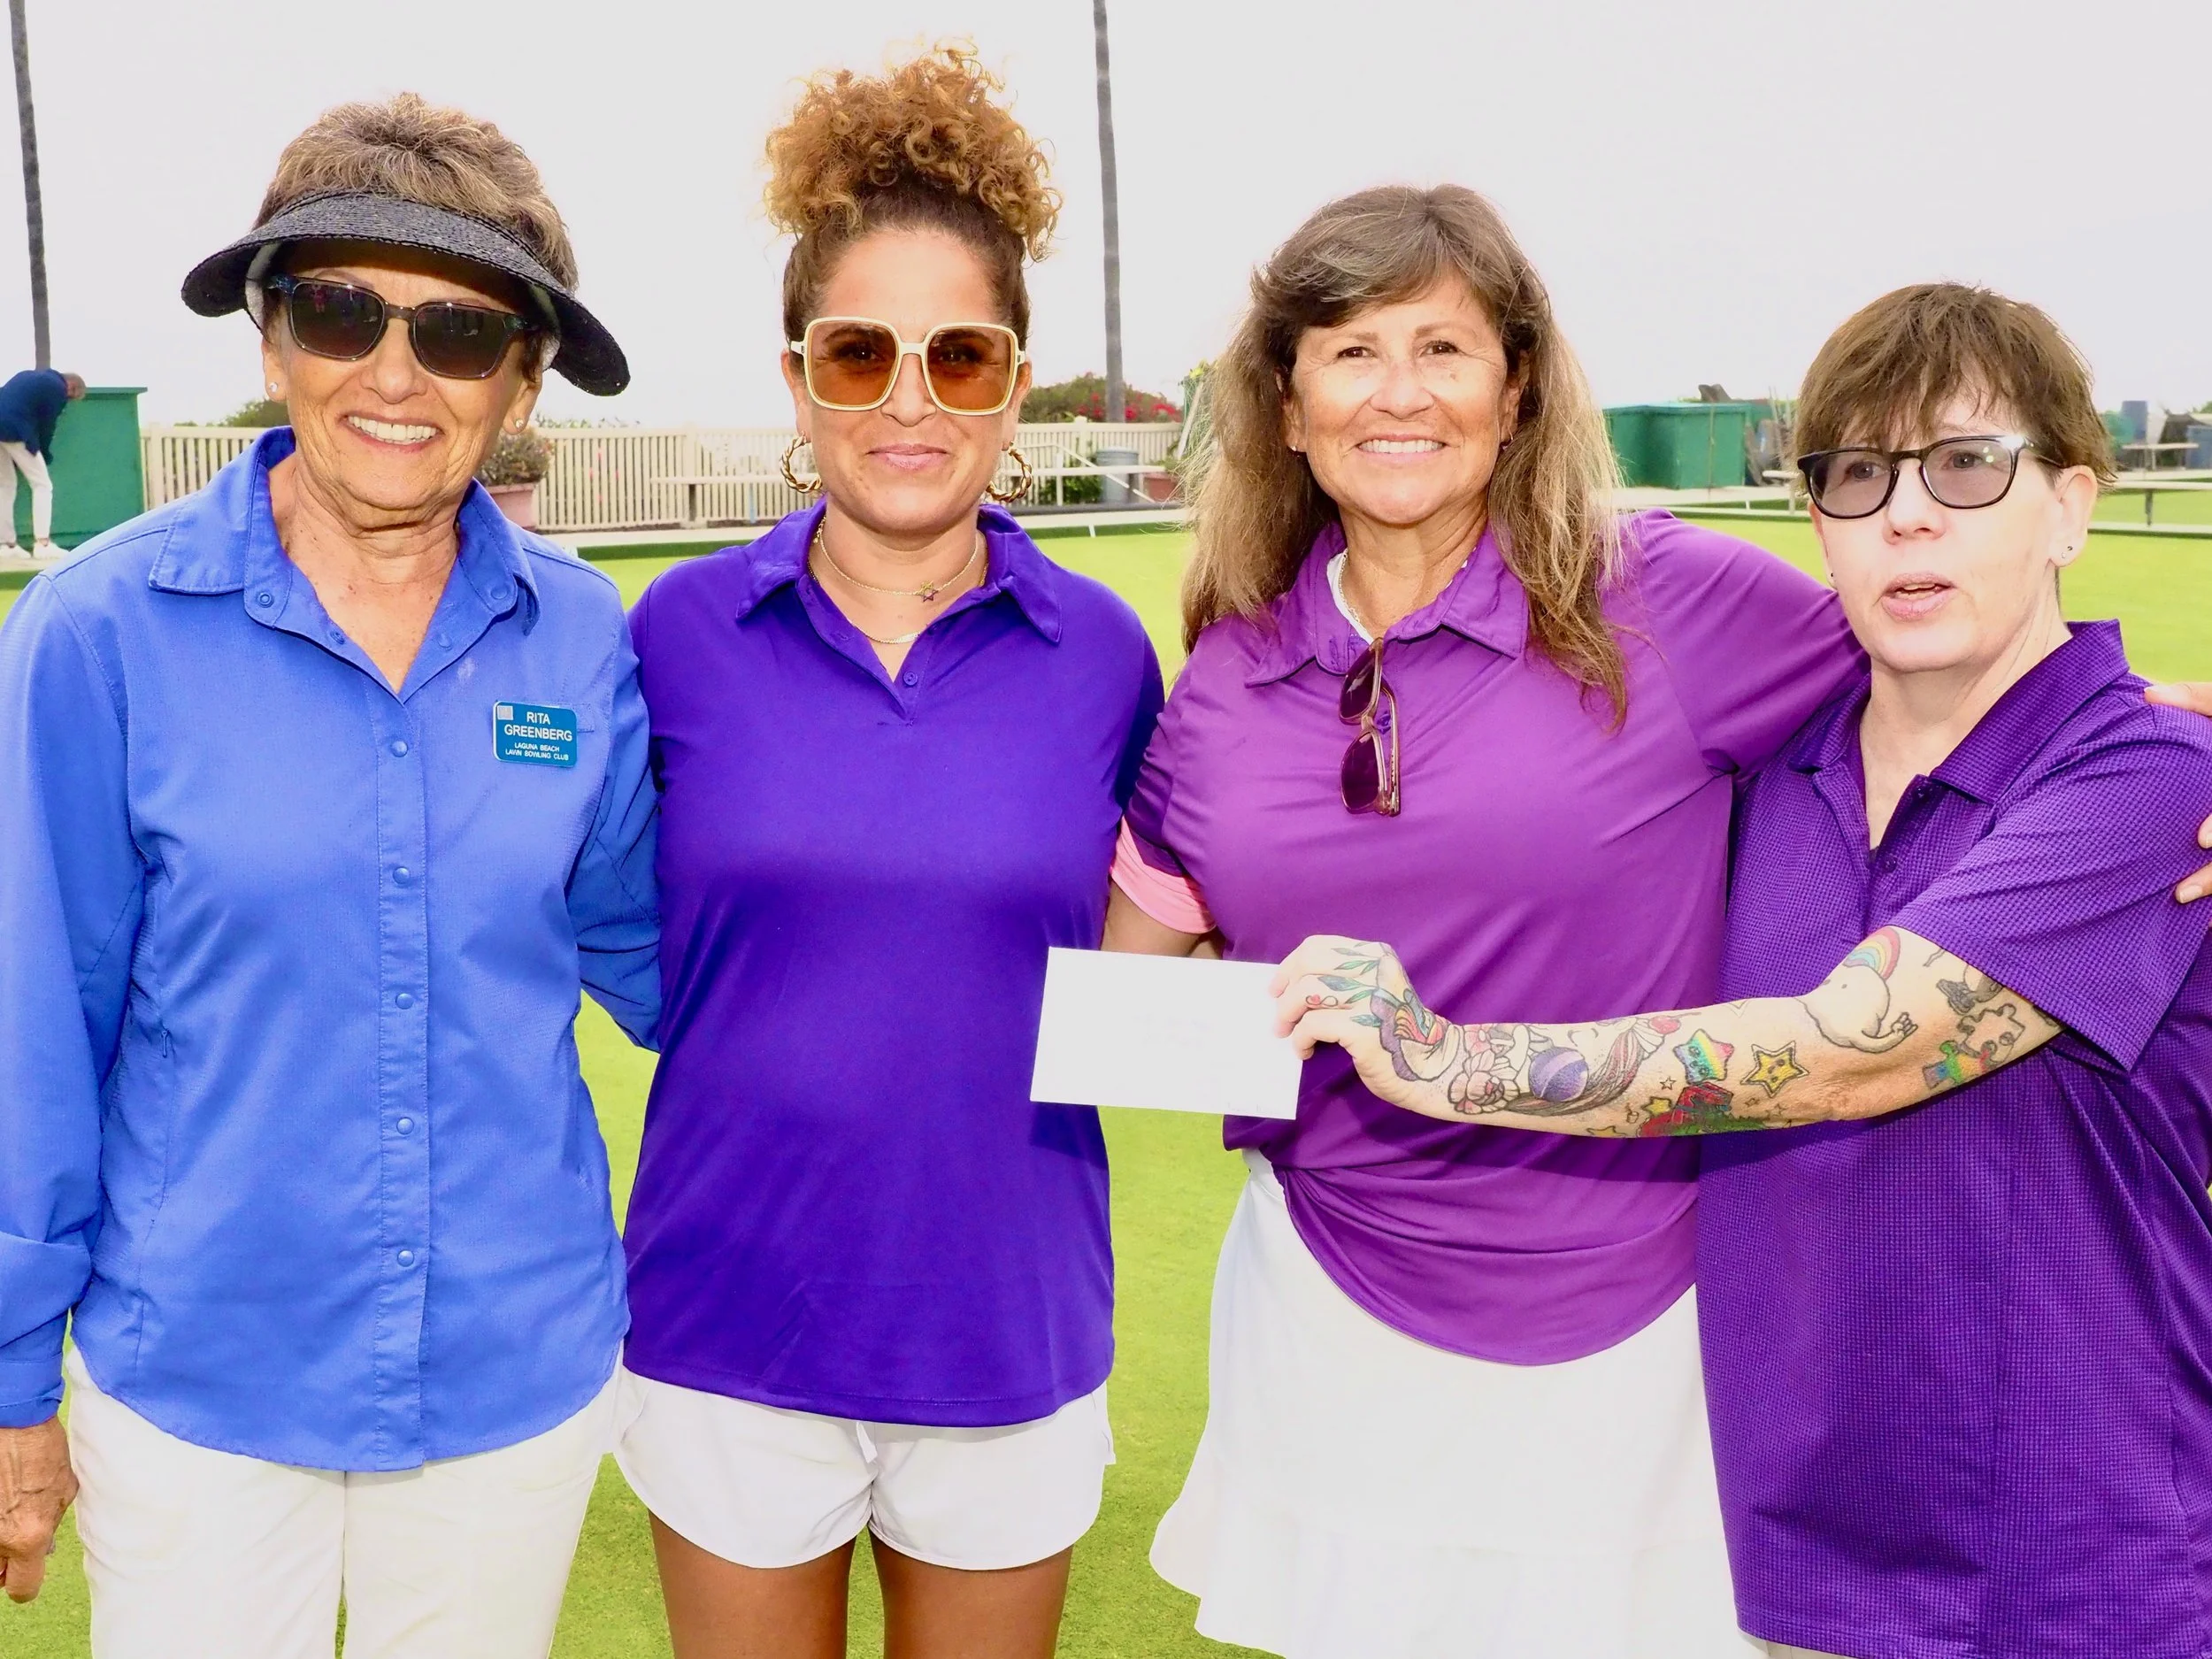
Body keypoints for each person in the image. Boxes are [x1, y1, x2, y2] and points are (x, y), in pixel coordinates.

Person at [1275, 284, 2212, 1659]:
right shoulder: (1774, 768)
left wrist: (1436, 1054)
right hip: (1802, 1567)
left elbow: (1850, 1049)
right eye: (1856, 474)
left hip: (2085, 1561)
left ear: (2069, 505)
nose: (1907, 515)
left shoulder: (2148, 775)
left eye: (1965, 467)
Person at [1104, 181, 1867, 1657]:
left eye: (1443, 350)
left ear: (1514, 393)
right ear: (1286, 404)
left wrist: (2155, 739)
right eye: (1350, 351)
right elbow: (1141, 982)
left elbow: (1952, 680)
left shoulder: (1672, 601)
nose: (1400, 395)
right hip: (1327, 1312)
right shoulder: (1227, 676)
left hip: (1634, 1320)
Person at [0, 94, 654, 1659]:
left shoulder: (585, 637)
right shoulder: (97, 633)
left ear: (523, 379)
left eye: (461, 333)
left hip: (516, 1373)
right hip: (200, 1384)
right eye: (343, 310)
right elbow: (32, 1031)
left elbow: (675, 962)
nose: (395, 372)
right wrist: (14, 1380)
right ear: (274, 335)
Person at [612, 48, 1161, 1659]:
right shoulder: (675, 636)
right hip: (725, 1316)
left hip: (1007, 1323)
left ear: (1014, 379)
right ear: (798, 379)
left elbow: (1163, 929)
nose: (908, 401)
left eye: (958, 355)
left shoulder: (1107, 654)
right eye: (860, 353)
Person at [0, 365, 87, 556]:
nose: (67, 401)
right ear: (71, 387)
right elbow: (48, 424)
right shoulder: (57, 389)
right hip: (16, 431)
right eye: (70, 398)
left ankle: (6, 545)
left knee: (5, 485)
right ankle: (43, 543)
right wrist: (44, 452)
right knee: (42, 485)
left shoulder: (28, 375)